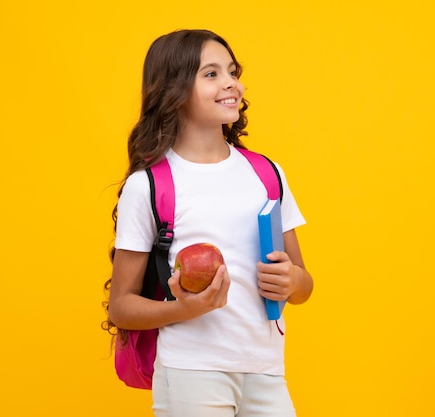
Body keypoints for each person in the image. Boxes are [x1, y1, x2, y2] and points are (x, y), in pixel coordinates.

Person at [103, 29, 313, 417]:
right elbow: (121, 307)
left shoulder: (266, 174)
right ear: (174, 90)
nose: (231, 83)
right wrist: (185, 309)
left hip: (266, 370)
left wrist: (294, 282)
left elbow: (302, 284)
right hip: (191, 372)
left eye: (232, 71)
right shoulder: (149, 186)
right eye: (211, 74)